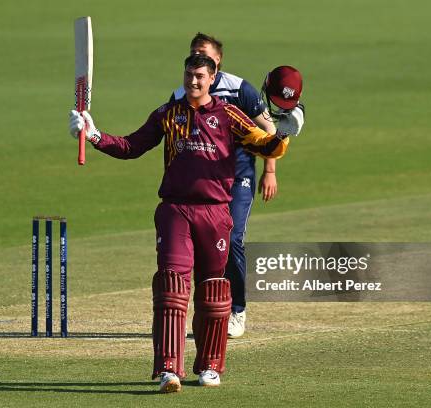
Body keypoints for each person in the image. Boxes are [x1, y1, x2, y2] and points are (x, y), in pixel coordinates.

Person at [68, 54, 300, 393]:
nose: (194, 82)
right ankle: (168, 371)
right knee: (171, 288)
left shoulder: (228, 114)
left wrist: (284, 134)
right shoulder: (169, 113)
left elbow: (266, 147)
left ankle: (210, 366)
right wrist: (94, 134)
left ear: (213, 77)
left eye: (201, 77)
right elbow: (132, 146)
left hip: (216, 213)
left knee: (214, 292)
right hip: (176, 211)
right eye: (190, 75)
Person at [170, 33, 305, 338]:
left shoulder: (239, 89)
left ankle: (237, 311)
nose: (196, 58)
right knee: (201, 249)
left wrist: (270, 170)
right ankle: (207, 311)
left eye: (203, 53)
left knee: (232, 240)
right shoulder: (180, 95)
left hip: (239, 178)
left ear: (217, 61)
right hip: (201, 184)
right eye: (193, 53)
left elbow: (268, 130)